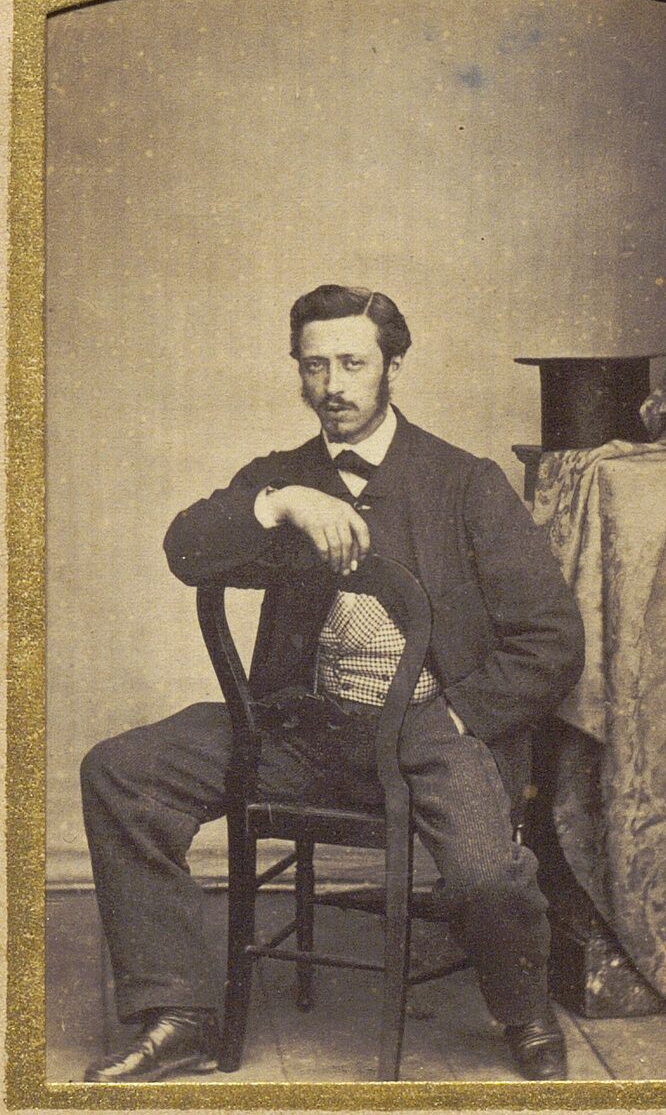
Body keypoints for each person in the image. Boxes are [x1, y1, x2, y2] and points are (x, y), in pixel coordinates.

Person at [81, 284, 585, 1083]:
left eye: (352, 363)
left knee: (487, 876)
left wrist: (457, 718)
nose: (332, 386)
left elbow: (551, 639)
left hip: (430, 733)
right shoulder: (280, 476)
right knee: (120, 771)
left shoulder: (464, 483)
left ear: (393, 366)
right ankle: (179, 1013)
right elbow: (187, 550)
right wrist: (279, 504)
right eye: (314, 366)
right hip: (299, 732)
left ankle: (523, 1010)